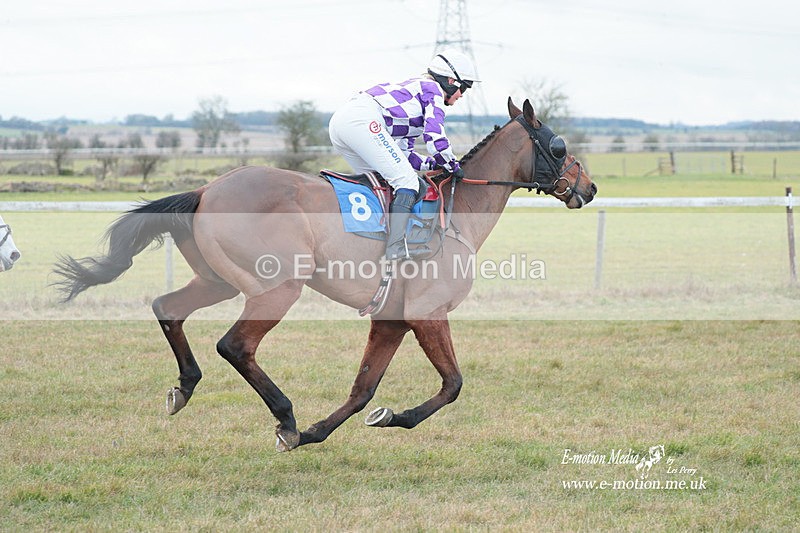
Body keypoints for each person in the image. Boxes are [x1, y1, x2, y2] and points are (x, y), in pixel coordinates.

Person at [328, 49, 479, 260]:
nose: (462, 95)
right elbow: (435, 137)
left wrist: (432, 164)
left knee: (383, 183)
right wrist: (452, 164)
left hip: (343, 123)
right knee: (407, 182)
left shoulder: (414, 98)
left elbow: (405, 154)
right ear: (451, 81)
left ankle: (369, 242)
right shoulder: (433, 90)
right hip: (362, 121)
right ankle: (396, 248)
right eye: (464, 88)